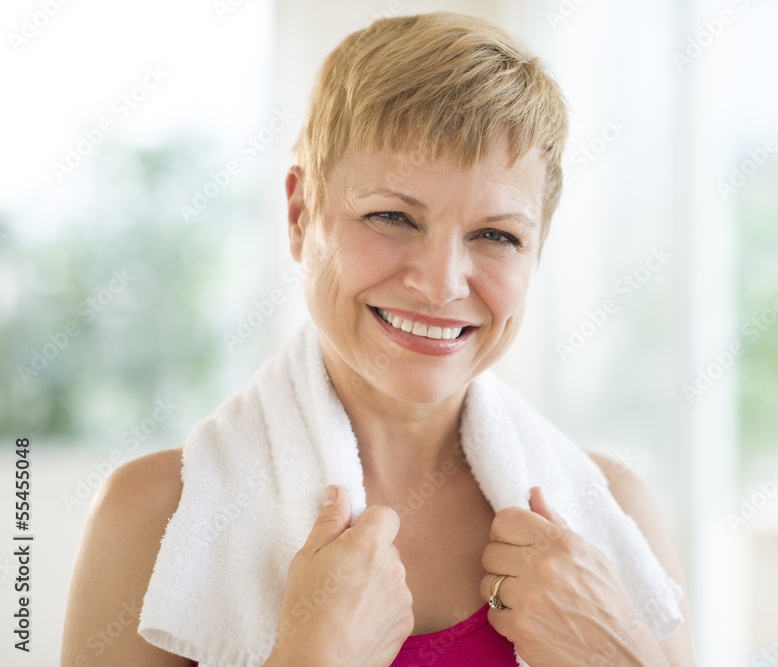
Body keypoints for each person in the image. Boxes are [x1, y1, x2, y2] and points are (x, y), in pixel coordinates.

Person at [61, 11, 696, 667]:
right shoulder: (153, 517)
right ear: (301, 213)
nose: (442, 283)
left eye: (497, 234)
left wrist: (618, 655)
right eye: (392, 216)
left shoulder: (616, 514)